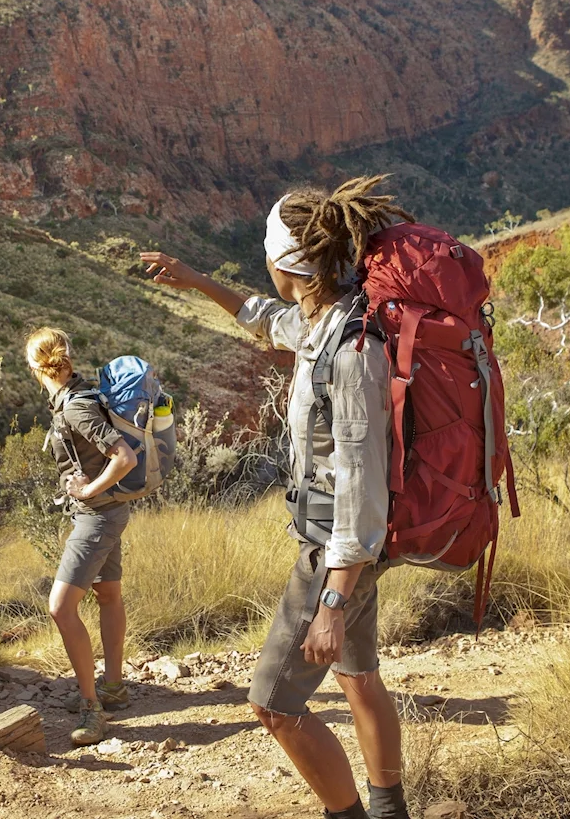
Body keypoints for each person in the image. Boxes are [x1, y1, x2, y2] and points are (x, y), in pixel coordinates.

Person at [140, 176, 414, 819]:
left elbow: (361, 484)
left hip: (335, 553)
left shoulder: (351, 352)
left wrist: (333, 602)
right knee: (357, 677)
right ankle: (389, 810)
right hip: (348, 550)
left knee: (273, 704)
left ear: (285, 263)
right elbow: (267, 320)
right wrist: (196, 280)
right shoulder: (326, 318)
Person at [25, 327, 139, 748]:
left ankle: (92, 707)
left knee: (60, 607)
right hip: (109, 511)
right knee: (107, 594)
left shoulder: (75, 407)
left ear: (36, 367)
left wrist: (90, 490)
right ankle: (113, 687)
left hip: (97, 517)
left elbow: (124, 457)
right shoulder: (78, 395)